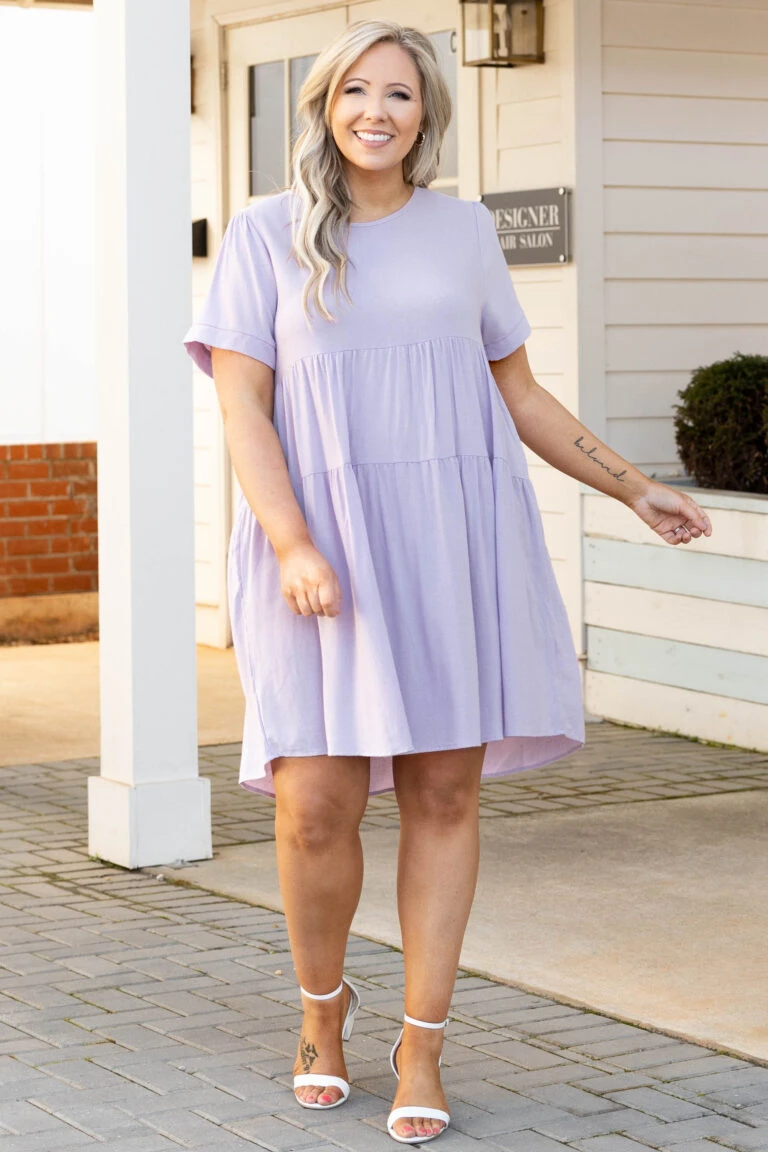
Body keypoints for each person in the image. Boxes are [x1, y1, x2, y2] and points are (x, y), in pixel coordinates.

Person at [183, 19, 712, 1145]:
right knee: (313, 809)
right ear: (325, 106)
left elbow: (519, 393)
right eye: (357, 90)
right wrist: (292, 543)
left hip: (448, 541)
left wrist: (634, 487)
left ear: (427, 115)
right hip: (317, 549)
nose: (376, 111)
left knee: (443, 798)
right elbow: (241, 407)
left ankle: (422, 1042)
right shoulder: (266, 232)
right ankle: (322, 1013)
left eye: (401, 94)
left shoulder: (464, 231)